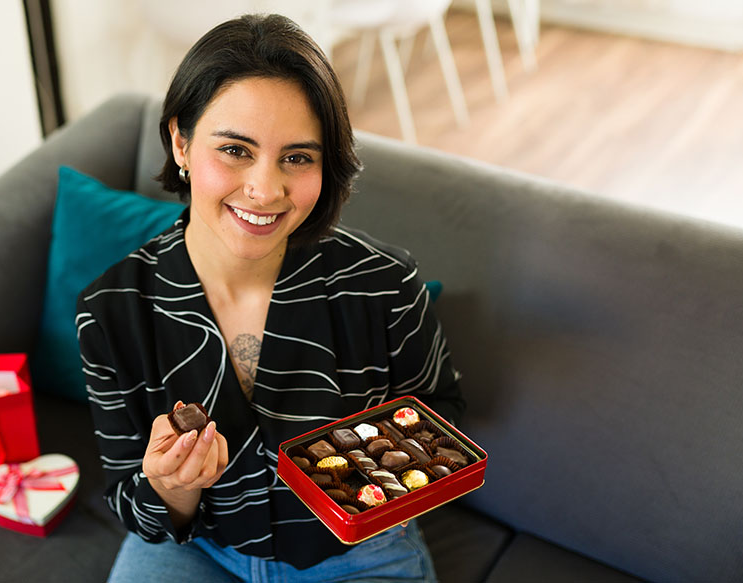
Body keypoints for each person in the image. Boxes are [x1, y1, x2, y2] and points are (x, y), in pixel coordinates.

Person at [77, 13, 465, 582]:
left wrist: (376, 476)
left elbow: (443, 415)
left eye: (297, 157)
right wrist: (171, 486)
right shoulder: (112, 310)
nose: (265, 189)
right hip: (194, 549)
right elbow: (138, 508)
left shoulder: (387, 284)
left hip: (358, 550)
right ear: (180, 141)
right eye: (235, 150)